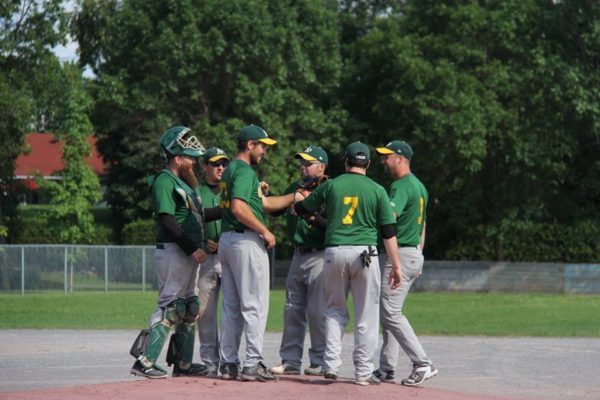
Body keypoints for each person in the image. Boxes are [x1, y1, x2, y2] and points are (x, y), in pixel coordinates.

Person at [293, 141, 403, 386]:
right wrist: (396, 265)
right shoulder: (377, 189)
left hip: (334, 251)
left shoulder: (332, 185)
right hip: (365, 253)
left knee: (334, 310)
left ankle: (330, 365)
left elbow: (304, 208)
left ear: (345, 161)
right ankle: (363, 371)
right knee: (366, 313)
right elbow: (388, 231)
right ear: (368, 164)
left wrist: (298, 203)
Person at [129, 126, 219, 379]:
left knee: (190, 307)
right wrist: (192, 249)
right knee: (170, 306)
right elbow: (167, 219)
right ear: (177, 158)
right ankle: (144, 361)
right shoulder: (164, 181)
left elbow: (200, 216)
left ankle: (183, 364)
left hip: (186, 253)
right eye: (190, 158)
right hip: (173, 252)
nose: (194, 162)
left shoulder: (184, 184)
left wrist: (233, 207)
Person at [218, 124, 302, 382]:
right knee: (254, 306)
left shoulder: (230, 170)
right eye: (263, 146)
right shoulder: (245, 171)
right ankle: (252, 364)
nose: (265, 151)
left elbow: (263, 204)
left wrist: (294, 196)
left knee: (231, 307)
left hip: (227, 240)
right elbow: (238, 208)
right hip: (245, 242)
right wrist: (265, 231)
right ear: (250, 144)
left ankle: (229, 363)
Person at [374, 140, 438, 386]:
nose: (383, 161)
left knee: (390, 312)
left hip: (398, 253)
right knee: (389, 312)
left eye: (387, 156)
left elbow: (389, 218)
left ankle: (422, 363)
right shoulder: (419, 186)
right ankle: (387, 368)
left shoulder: (400, 186)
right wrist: (418, 254)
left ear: (400, 159)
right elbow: (423, 224)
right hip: (412, 251)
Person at [270, 147, 329, 377]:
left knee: (317, 311)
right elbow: (275, 210)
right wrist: (265, 193)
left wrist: (307, 210)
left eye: (308, 163)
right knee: (292, 308)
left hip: (320, 255)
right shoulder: (295, 187)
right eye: (301, 163)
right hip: (298, 255)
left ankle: (320, 360)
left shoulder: (328, 189)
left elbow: (331, 225)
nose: (303, 167)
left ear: (321, 167)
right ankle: (290, 360)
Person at [195, 147, 230, 376]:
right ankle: (209, 362)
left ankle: (229, 360)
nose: (221, 168)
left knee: (231, 311)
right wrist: (202, 241)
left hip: (229, 257)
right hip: (206, 259)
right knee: (205, 312)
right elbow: (189, 222)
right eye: (216, 163)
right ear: (205, 166)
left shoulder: (232, 190)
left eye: (224, 163)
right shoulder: (196, 191)